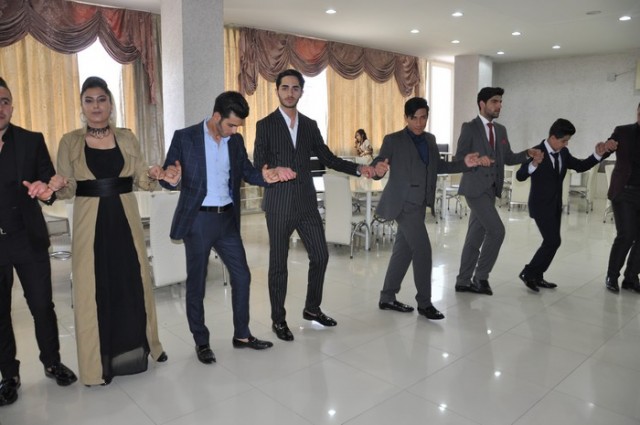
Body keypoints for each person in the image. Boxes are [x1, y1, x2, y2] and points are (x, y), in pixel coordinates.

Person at [160, 91, 291, 364]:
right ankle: (201, 341)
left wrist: (266, 176)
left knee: (242, 275)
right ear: (216, 116)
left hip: (227, 219)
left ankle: (242, 335)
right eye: (231, 125)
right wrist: (170, 178)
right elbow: (167, 174)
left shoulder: (235, 141)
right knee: (197, 283)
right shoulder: (185, 137)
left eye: (238, 127)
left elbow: (247, 171)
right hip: (198, 220)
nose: (234, 131)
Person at [56, 76, 167, 386]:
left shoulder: (127, 138)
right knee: (94, 289)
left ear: (110, 104)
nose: (96, 106)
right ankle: (97, 365)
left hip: (125, 218)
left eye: (101, 99)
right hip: (89, 223)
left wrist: (154, 174)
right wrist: (56, 185)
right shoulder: (69, 141)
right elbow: (66, 189)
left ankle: (142, 346)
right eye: (89, 100)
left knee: (132, 283)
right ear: (82, 106)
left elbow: (141, 178)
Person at [253, 68, 376, 342]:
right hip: (278, 204)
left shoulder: (309, 125)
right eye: (285, 88)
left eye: (295, 88)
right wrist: (273, 170)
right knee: (278, 264)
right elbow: (258, 163)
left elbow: (328, 158)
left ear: (301, 92)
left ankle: (312, 308)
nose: (290, 93)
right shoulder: (265, 125)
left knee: (320, 256)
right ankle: (278, 319)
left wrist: (359, 169)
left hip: (307, 204)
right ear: (277, 90)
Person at [372, 97, 491, 319]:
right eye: (414, 118)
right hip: (403, 204)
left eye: (423, 117)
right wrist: (377, 169)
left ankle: (387, 297)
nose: (419, 123)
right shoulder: (393, 140)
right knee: (423, 250)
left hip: (420, 205)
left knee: (403, 251)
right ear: (406, 118)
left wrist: (465, 163)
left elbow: (439, 166)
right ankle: (425, 303)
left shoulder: (429, 139)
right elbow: (379, 162)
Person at [0, 77, 77, 406]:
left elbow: (49, 184)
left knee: (42, 306)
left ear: (12, 106)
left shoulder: (31, 140)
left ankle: (52, 362)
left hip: (27, 239)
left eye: (4, 101)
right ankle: (9, 375)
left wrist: (48, 190)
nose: (0, 107)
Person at [454, 87, 542, 296]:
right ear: (482, 104)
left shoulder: (501, 130)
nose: (499, 106)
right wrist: (476, 160)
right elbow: (459, 159)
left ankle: (463, 281)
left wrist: (527, 153)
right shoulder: (469, 128)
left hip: (491, 189)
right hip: (475, 189)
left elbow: (508, 157)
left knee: (475, 236)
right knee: (497, 231)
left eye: (500, 102)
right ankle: (481, 277)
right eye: (494, 101)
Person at [516, 119, 615, 292]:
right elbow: (520, 176)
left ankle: (537, 276)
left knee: (552, 242)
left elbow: (580, 166)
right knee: (553, 241)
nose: (566, 144)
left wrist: (598, 155)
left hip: (555, 205)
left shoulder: (563, 152)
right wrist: (533, 164)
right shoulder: (536, 151)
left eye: (568, 141)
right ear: (553, 137)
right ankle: (528, 273)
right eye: (564, 141)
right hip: (540, 206)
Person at [605, 102, 640, 293]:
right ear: (638, 112)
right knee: (627, 234)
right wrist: (606, 146)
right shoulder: (623, 131)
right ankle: (612, 275)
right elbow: (608, 147)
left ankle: (631, 278)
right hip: (624, 191)